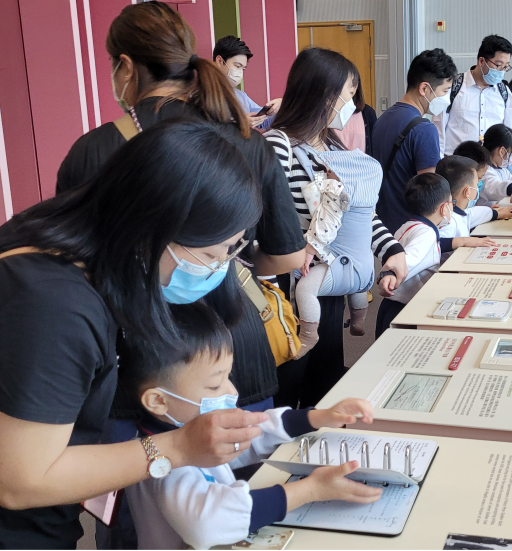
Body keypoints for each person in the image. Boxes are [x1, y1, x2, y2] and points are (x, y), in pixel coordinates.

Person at [0, 121, 275, 549]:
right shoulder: (57, 306)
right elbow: (23, 481)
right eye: (209, 254)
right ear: (152, 227)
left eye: (231, 251)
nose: (219, 268)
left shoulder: (65, 240)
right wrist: (176, 448)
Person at [122, 302, 381, 549]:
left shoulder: (191, 430)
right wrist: (310, 490)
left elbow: (251, 435)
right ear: (158, 401)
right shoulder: (161, 464)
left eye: (228, 376)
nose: (231, 391)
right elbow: (208, 523)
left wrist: (316, 418)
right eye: (214, 385)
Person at [264, 47, 407, 407]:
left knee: (323, 380)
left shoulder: (332, 143)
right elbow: (264, 221)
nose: (353, 103)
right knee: (287, 385)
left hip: (330, 281)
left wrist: (391, 249)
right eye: (348, 93)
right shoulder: (277, 145)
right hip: (289, 286)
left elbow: (359, 214)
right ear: (323, 93)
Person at [373, 48, 457, 234]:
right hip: (411, 229)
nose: (447, 98)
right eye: (445, 90)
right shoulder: (424, 129)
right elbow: (431, 194)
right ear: (425, 89)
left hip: (383, 226)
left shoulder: (383, 118)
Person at [374, 174, 455, 339]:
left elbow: (424, 251)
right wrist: (390, 275)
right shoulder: (426, 233)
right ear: (443, 207)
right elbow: (408, 259)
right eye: (451, 203)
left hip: (390, 306)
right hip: (405, 310)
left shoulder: (408, 226)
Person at [433, 35, 512, 155]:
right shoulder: (453, 87)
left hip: (490, 168)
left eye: (506, 66)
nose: (502, 71)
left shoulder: (504, 93)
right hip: (456, 166)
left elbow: (510, 136)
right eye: (498, 65)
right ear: (482, 61)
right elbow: (438, 130)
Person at [437, 155, 512, 263]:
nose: (478, 188)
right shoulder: (446, 221)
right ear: (467, 192)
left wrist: (496, 213)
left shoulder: (458, 211)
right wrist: (463, 241)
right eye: (477, 184)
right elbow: (433, 244)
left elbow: (474, 214)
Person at [213, 35, 281, 130]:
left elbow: (265, 121)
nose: (240, 72)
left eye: (243, 68)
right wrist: (238, 123)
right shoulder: (201, 94)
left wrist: (280, 106)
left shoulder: (241, 96)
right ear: (219, 61)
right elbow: (201, 129)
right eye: (237, 66)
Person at [479, 124, 512, 208]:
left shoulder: (501, 170)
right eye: (511, 152)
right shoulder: (483, 170)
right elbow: (493, 187)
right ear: (502, 151)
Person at [332, 76, 377, 155]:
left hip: (364, 165)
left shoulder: (367, 112)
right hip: (331, 165)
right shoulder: (325, 113)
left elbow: (375, 145)